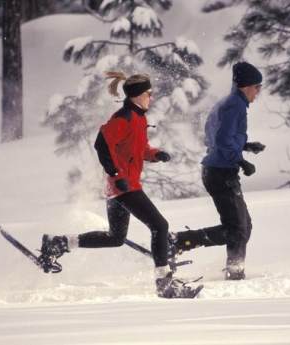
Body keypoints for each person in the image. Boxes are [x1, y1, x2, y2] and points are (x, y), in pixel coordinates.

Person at [39, 72, 197, 298]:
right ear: (136, 96)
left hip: (119, 187)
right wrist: (115, 173)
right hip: (124, 186)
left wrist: (155, 154)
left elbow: (136, 150)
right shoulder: (123, 118)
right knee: (159, 226)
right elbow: (101, 144)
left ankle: (59, 244)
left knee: (116, 238)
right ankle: (164, 283)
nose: (151, 97)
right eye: (148, 94)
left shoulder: (139, 118)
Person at [169, 62, 266, 280]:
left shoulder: (227, 102)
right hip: (221, 173)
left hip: (216, 170)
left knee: (243, 227)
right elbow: (222, 139)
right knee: (238, 229)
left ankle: (180, 241)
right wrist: (241, 161)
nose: (258, 92)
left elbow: (215, 136)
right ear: (246, 86)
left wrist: (246, 146)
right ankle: (234, 273)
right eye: (257, 87)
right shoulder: (236, 105)